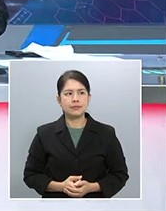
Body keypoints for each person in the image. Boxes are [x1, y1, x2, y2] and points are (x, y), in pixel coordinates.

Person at [23, 70, 129, 198]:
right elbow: (31, 175)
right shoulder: (44, 134)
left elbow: (120, 174)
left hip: (95, 204)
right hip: (55, 204)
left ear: (89, 97)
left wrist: (92, 187)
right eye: (68, 93)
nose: (75, 99)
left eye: (81, 93)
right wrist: (61, 186)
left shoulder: (106, 133)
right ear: (59, 99)